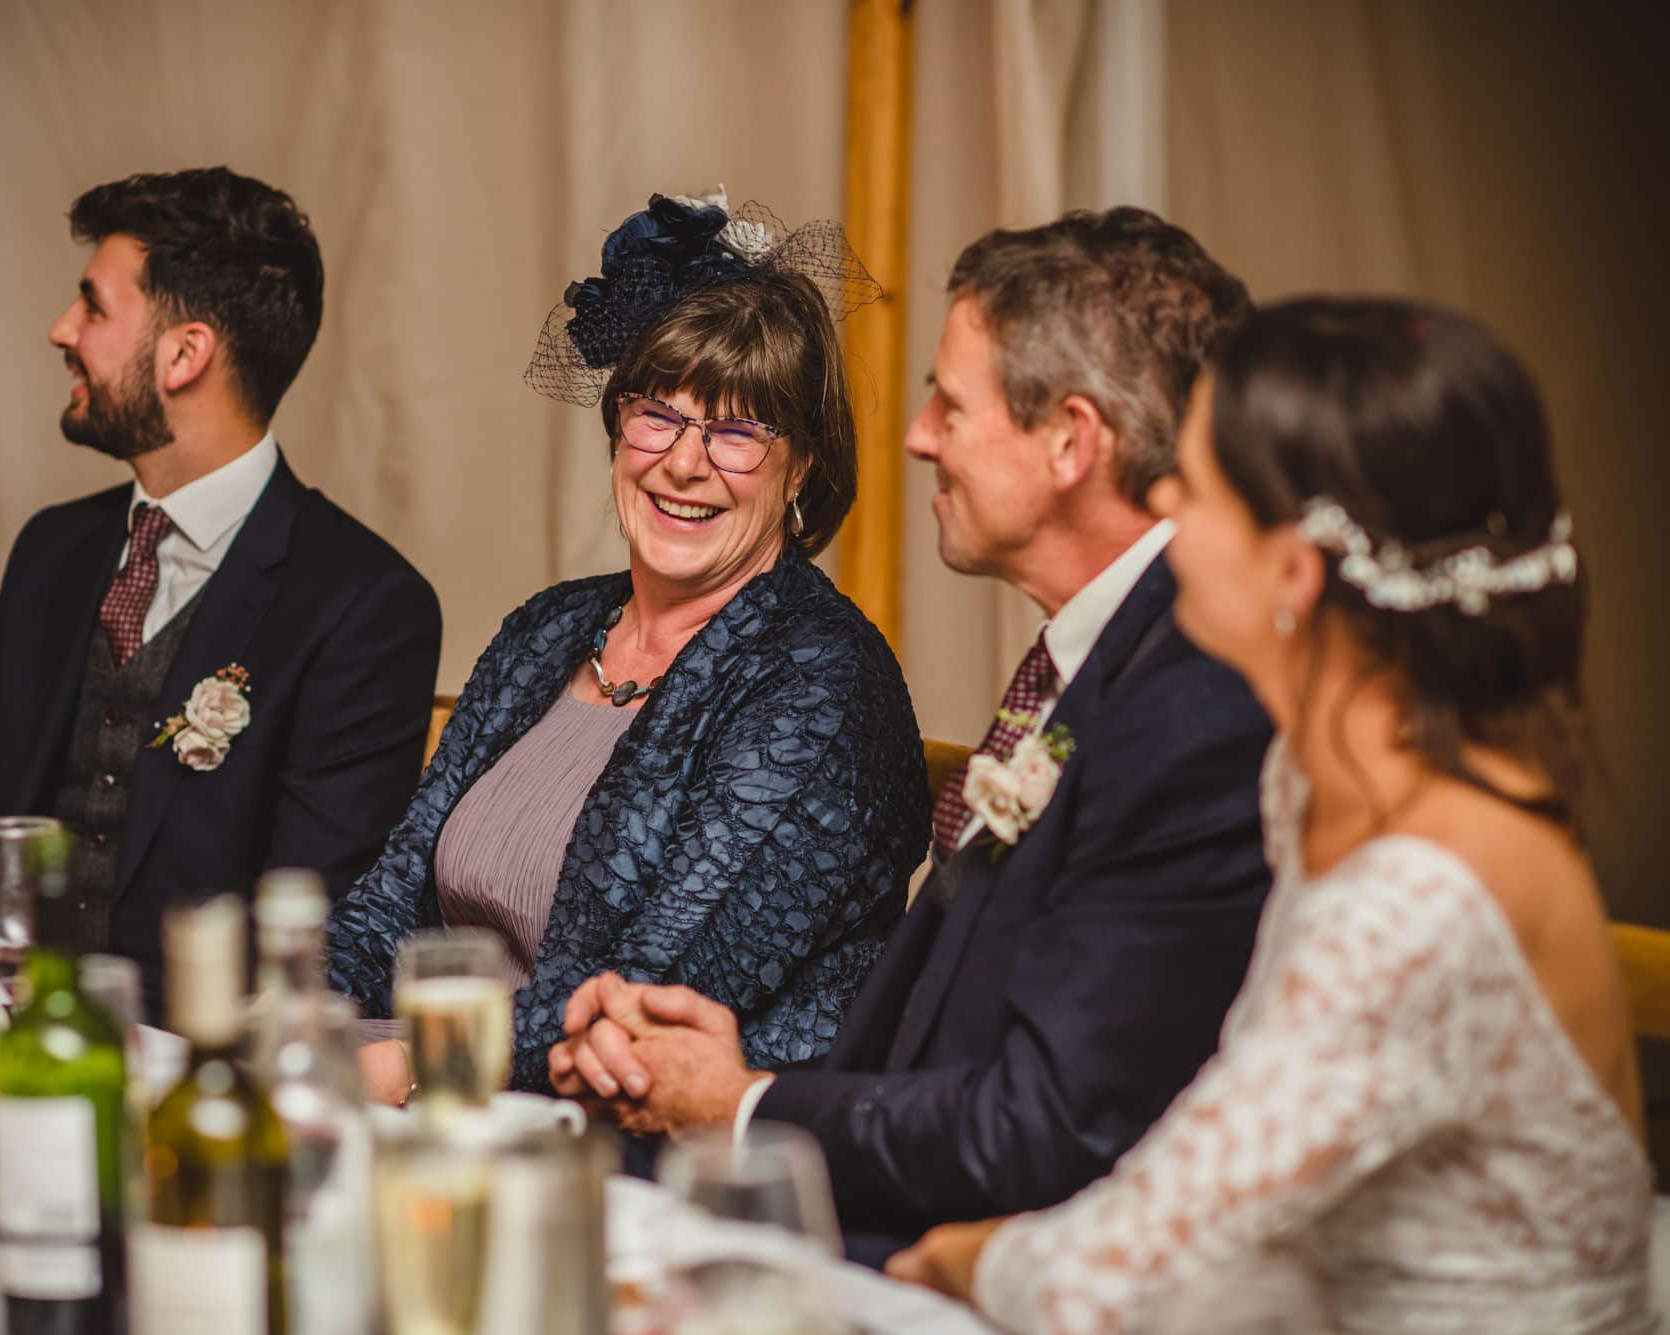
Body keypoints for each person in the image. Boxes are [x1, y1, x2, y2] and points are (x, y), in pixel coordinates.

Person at [888, 298, 1653, 1333]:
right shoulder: (1313, 776)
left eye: (1193, 489)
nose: (1156, 499)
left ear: (1293, 573)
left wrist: (967, 1257)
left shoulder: (1411, 897)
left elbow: (1108, 1275)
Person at [551, 208, 1273, 1265]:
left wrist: (744, 1103)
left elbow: (1050, 1128)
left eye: (950, 401)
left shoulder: (1196, 706)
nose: (916, 433)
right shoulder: (1107, 659)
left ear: (1069, 440)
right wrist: (751, 1077)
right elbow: (947, 1035)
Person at [325, 190, 929, 1102]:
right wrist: (295, 1020)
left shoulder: (821, 682)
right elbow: (393, 895)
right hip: (433, 1095)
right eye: (660, 414)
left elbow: (650, 992)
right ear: (618, 426)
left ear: (802, 466)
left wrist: (400, 1068)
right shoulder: (549, 629)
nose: (684, 463)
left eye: (737, 431)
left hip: (628, 1139)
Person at [0, 167, 441, 1010]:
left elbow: (310, 940)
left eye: (94, 306)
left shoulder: (365, 605)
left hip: (189, 1080)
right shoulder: (52, 551)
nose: (60, 329)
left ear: (186, 353)